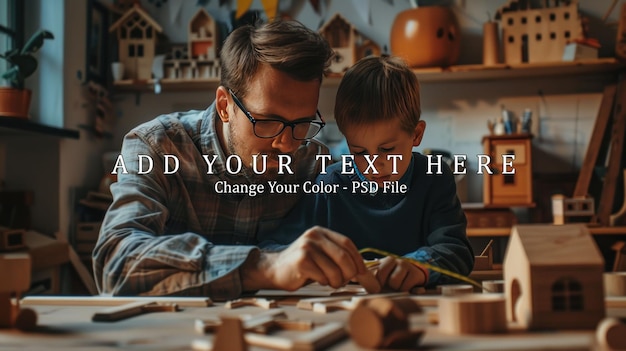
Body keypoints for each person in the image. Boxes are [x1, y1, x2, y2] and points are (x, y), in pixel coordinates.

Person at [93, 20, 369, 300]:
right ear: (225, 106)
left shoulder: (314, 161)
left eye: (301, 123)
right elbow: (115, 265)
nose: (287, 145)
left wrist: (401, 262)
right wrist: (263, 266)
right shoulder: (156, 147)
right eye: (268, 121)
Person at [260, 55, 474, 291]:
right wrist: (305, 261)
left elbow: (456, 250)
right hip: (345, 311)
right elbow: (273, 249)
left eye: (386, 150)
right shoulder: (330, 184)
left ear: (416, 135)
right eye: (359, 151)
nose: (374, 164)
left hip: (419, 310)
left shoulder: (435, 177)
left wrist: (419, 267)